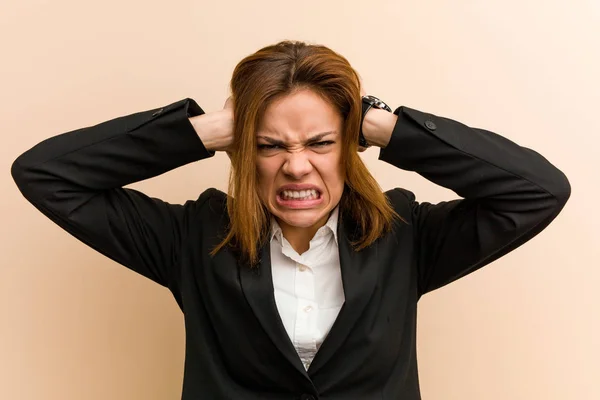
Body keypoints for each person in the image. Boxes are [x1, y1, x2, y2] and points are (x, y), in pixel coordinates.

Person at [11, 40, 570, 400]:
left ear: (349, 146)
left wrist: (385, 126)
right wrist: (206, 130)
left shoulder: (406, 234)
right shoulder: (191, 237)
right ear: (242, 149)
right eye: (269, 145)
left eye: (322, 143)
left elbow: (538, 191)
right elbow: (46, 174)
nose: (296, 166)